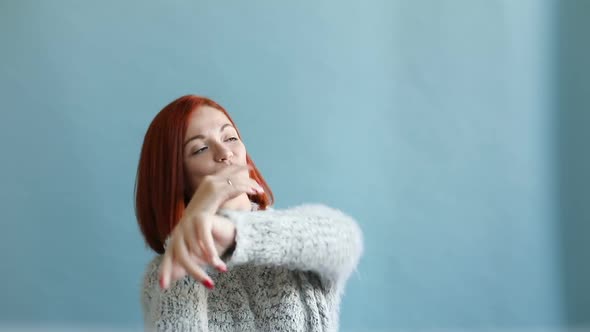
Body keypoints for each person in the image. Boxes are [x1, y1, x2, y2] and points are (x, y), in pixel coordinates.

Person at [135, 94, 363, 331]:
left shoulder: (297, 236)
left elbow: (346, 238)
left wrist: (237, 234)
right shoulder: (160, 276)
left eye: (230, 137)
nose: (224, 152)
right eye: (200, 148)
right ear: (175, 177)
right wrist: (189, 247)